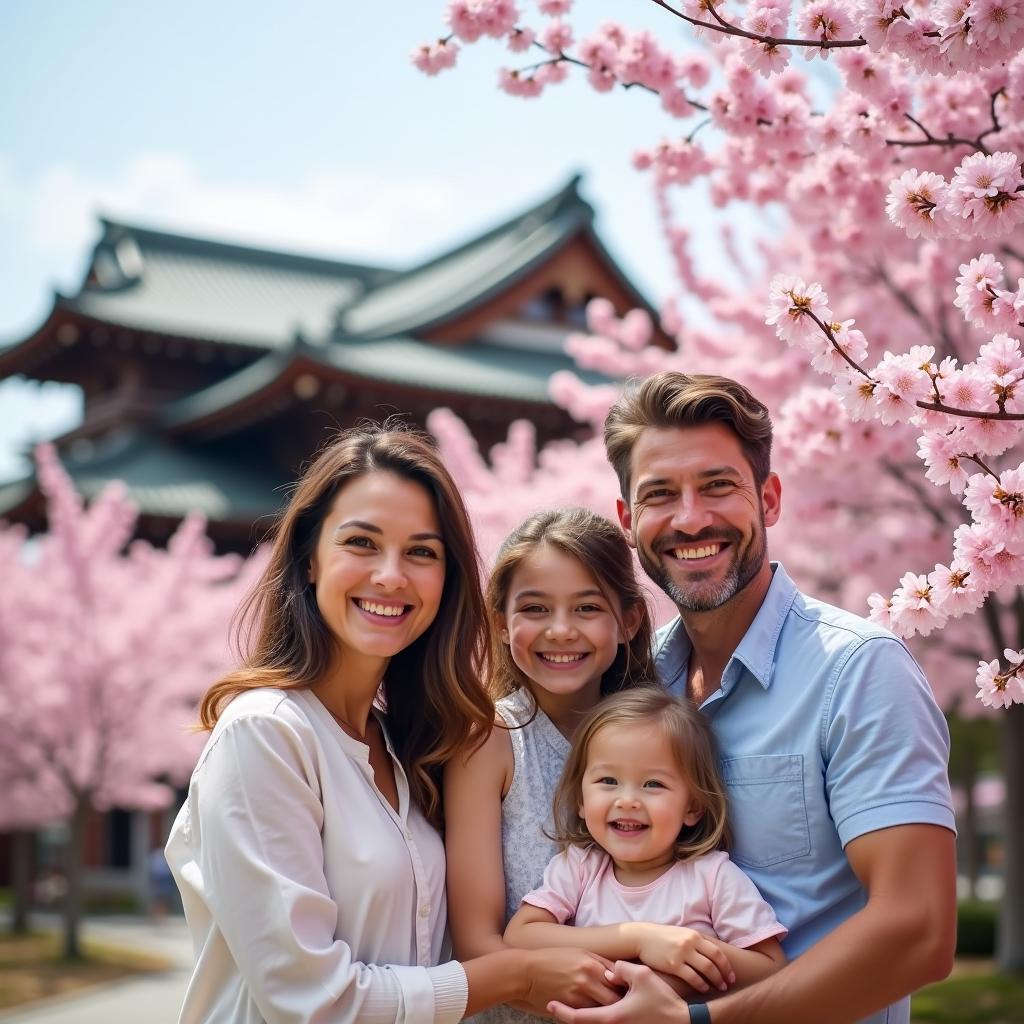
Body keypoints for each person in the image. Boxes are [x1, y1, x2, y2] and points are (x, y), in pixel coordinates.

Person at [165, 423, 620, 1024]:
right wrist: (520, 971)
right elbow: (311, 1001)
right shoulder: (267, 734)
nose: (390, 575)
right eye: (361, 543)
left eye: (422, 552)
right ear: (308, 560)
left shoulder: (407, 744)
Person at [548, 372, 957, 1024]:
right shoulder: (634, 682)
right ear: (628, 520)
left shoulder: (858, 672)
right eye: (660, 495)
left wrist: (700, 1022)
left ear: (768, 498)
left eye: (717, 486)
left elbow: (920, 933)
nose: (690, 518)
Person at [444, 508, 653, 1023]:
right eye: (535, 609)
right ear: (500, 622)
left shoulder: (661, 737)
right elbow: (476, 943)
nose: (560, 631)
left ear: (628, 621)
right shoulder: (490, 740)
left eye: (587, 608)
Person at [504, 687, 786, 1000]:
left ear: (692, 807)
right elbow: (520, 935)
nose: (627, 801)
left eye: (653, 784)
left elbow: (771, 969)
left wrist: (690, 950)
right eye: (608, 781)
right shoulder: (579, 868)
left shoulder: (712, 877)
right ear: (581, 800)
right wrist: (639, 940)